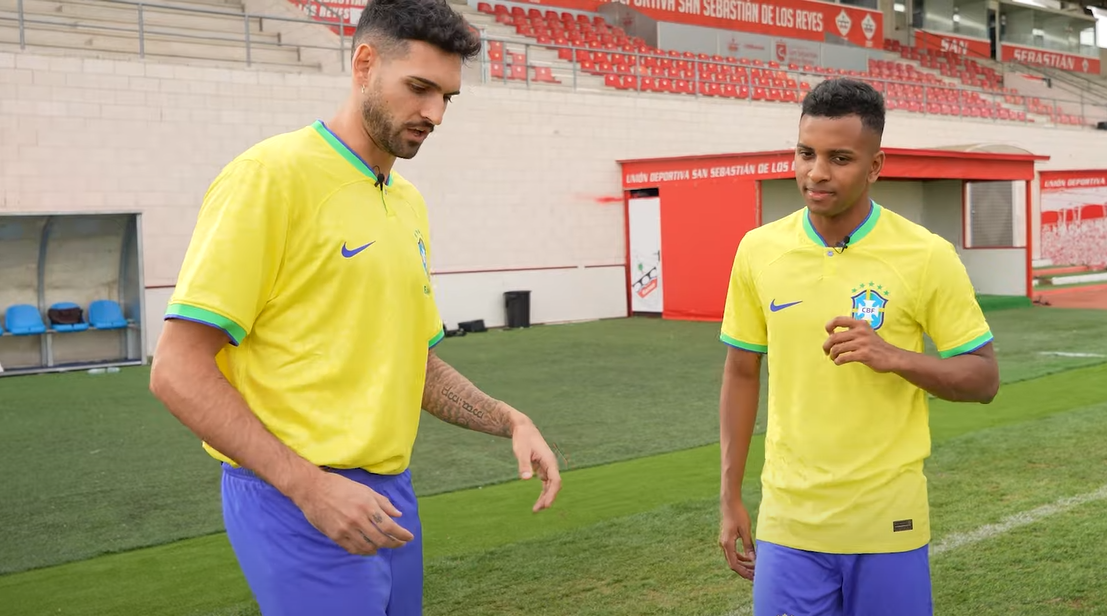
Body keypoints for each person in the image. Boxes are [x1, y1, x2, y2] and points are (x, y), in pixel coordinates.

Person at [148, 1, 563, 614]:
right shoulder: (269, 177)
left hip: (391, 492)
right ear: (364, 63)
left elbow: (413, 364)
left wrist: (510, 420)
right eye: (419, 88)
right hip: (292, 494)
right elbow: (176, 371)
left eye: (448, 97)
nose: (434, 114)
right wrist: (309, 488)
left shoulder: (407, 202)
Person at [716, 77, 1000, 616]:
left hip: (887, 521)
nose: (816, 172)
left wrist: (897, 357)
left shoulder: (925, 255)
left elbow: (984, 378)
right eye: (806, 153)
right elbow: (741, 373)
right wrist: (729, 495)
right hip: (789, 521)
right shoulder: (758, 250)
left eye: (839, 158)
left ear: (875, 166)